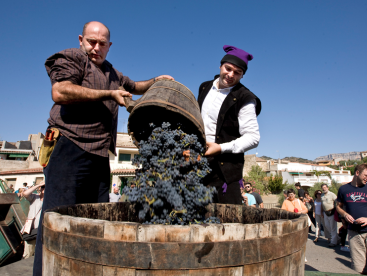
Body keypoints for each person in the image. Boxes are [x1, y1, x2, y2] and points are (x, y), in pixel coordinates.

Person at [33, 21, 174, 276]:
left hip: (99, 156)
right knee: (56, 218)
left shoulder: (111, 72)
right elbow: (60, 91)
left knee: (93, 220)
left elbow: (133, 87)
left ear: (110, 46)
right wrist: (108, 94)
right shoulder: (74, 58)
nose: (96, 48)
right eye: (91, 41)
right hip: (69, 148)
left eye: (102, 43)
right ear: (81, 39)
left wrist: (156, 81)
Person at [198, 45, 261, 204]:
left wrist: (220, 148)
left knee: (226, 222)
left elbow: (253, 138)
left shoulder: (245, 98)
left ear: (242, 75)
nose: (231, 75)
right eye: (228, 68)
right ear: (220, 66)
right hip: (197, 164)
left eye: (237, 72)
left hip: (224, 173)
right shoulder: (204, 87)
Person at [22, 182, 45, 259]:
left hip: (43, 231)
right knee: (28, 254)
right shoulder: (35, 197)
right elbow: (25, 194)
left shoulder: (49, 201)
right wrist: (38, 185)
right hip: (31, 230)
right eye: (43, 187)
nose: (44, 189)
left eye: (46, 187)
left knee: (40, 255)